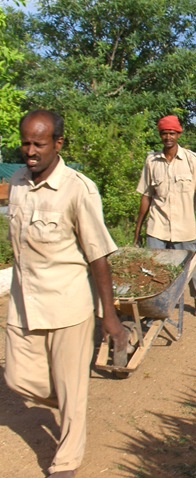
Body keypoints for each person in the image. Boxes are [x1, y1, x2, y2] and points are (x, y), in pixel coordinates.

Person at [4, 110, 129, 478]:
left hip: (67, 305)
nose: (30, 151)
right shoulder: (17, 182)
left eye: (38, 144)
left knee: (71, 391)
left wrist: (109, 315)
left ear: (58, 144)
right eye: (25, 143)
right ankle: (70, 398)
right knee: (17, 378)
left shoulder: (78, 189)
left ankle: (67, 461)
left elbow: (97, 255)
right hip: (25, 303)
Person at [134, 115, 196, 316]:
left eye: (172, 133)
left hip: (184, 227)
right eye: (164, 133)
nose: (168, 137)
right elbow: (146, 197)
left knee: (193, 265)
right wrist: (137, 232)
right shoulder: (152, 162)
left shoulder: (192, 160)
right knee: (154, 267)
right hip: (157, 227)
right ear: (160, 135)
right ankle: (156, 304)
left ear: (178, 135)